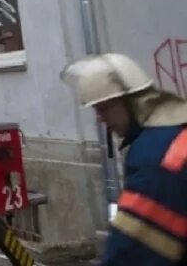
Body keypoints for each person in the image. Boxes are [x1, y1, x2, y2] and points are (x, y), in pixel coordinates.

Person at [62, 53, 187, 265]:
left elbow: (132, 247)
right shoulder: (175, 130)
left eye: (104, 109)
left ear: (131, 102)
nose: (100, 119)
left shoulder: (152, 156)